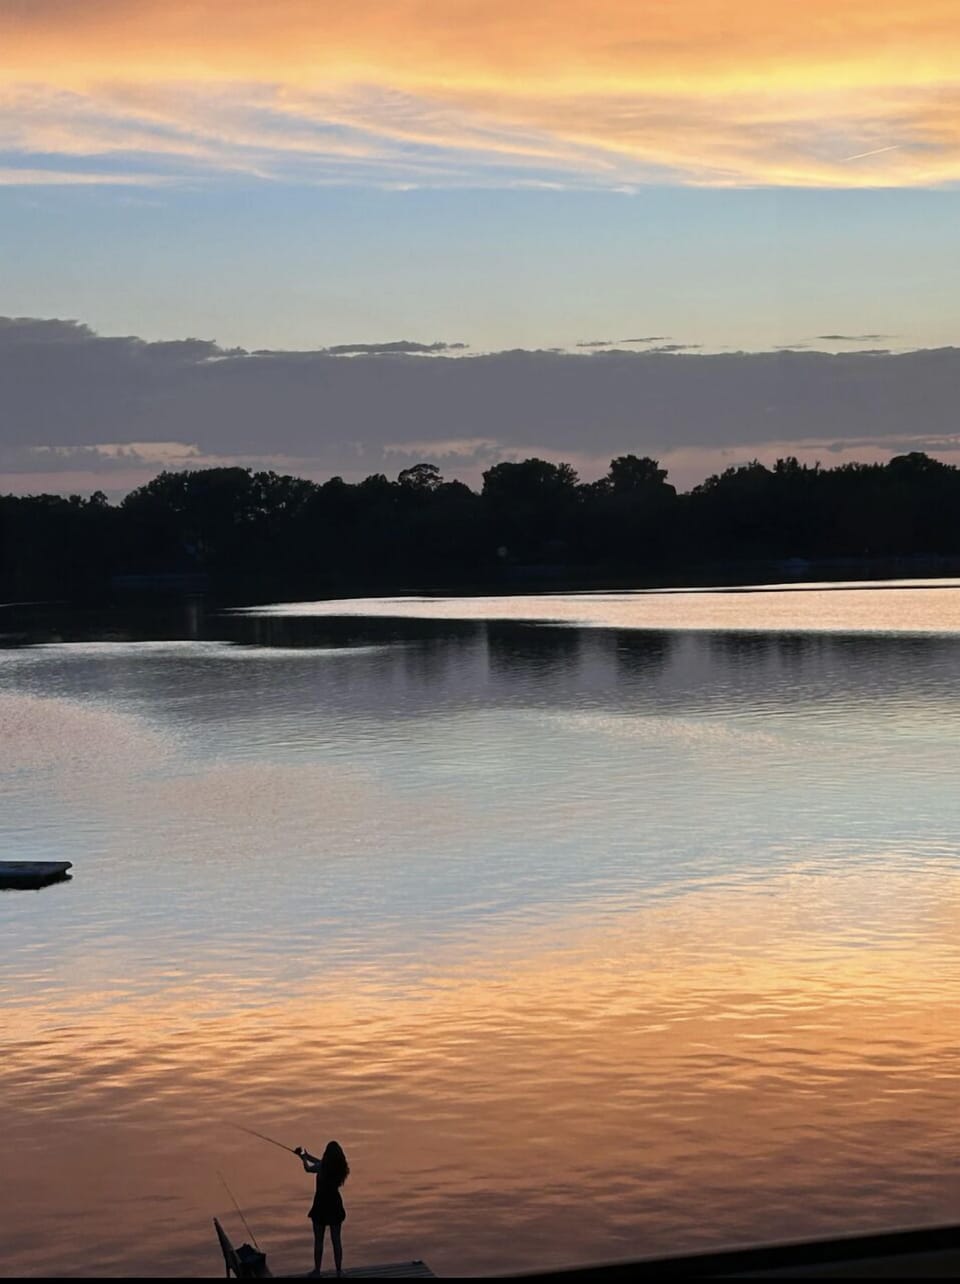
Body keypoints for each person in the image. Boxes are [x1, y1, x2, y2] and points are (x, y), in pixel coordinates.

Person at [295, 1140, 349, 1277]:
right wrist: (307, 1156)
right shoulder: (340, 1169)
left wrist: (303, 1159)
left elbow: (308, 1169)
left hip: (321, 1205)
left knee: (319, 1240)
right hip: (335, 1205)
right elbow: (319, 1162)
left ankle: (317, 1271)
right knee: (336, 1240)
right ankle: (339, 1270)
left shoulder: (322, 1167)